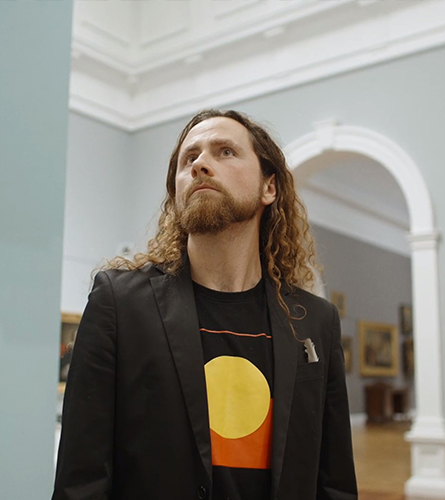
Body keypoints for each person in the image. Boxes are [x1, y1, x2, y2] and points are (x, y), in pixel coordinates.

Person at [52, 109, 358, 500]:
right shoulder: (120, 304)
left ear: (269, 188)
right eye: (188, 158)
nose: (200, 165)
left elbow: (334, 483)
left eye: (225, 152)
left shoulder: (315, 321)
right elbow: (81, 480)